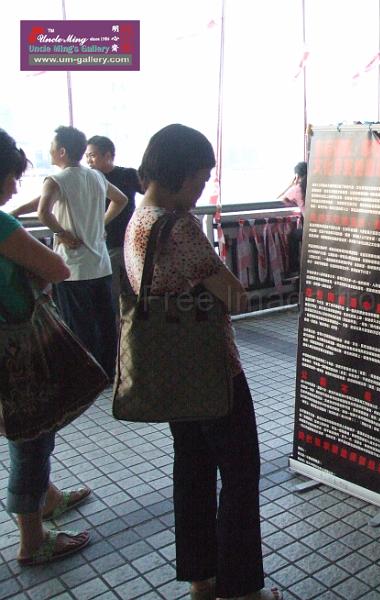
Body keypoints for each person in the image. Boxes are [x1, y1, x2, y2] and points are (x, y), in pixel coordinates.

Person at [125, 124, 279, 600]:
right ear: (182, 171)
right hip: (214, 372)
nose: (202, 187)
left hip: (172, 373)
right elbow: (235, 296)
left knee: (192, 471)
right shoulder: (180, 228)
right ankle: (242, 590)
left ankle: (201, 579)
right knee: (239, 475)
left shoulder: (139, 218)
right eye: (202, 177)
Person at [0, 129, 92, 565]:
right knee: (31, 436)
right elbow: (56, 268)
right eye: (12, 177)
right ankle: (32, 540)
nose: (14, 186)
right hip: (16, 348)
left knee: (27, 428)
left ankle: (48, 497)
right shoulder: (2, 225)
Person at [12, 126, 128, 378]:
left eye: (52, 147)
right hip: (100, 265)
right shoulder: (95, 176)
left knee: (78, 326)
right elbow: (121, 199)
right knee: (105, 324)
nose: (50, 151)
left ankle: (86, 377)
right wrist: (101, 222)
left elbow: (43, 212)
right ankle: (110, 373)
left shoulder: (56, 180)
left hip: (73, 269)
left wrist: (61, 233)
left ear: (62, 151)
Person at [85, 135, 143, 314]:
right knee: (111, 296)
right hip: (103, 245)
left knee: (134, 293)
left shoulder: (127, 175)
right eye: (87, 156)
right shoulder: (89, 179)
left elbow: (150, 193)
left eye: (92, 155)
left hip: (129, 243)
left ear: (108, 155)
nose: (88, 161)